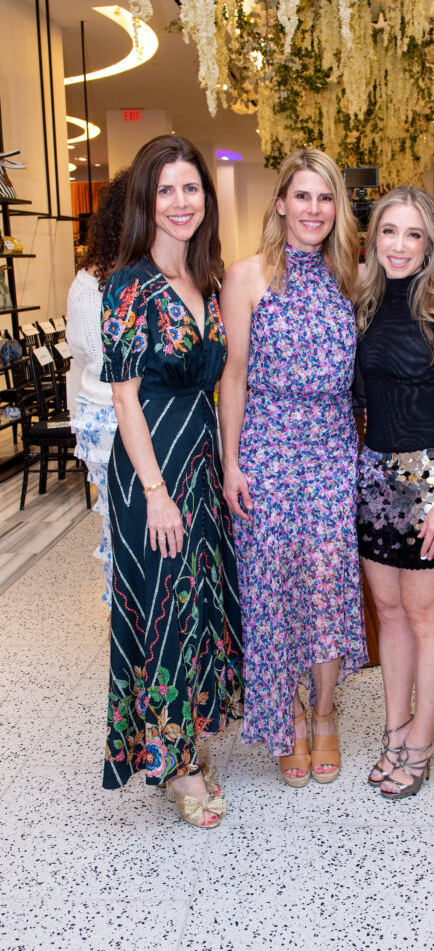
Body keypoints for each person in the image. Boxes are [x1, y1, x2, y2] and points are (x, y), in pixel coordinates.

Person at [100, 135, 243, 828]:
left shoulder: (204, 277)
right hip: (149, 471)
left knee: (195, 607)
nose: (181, 203)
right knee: (162, 614)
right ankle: (176, 767)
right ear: (146, 202)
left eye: (192, 189)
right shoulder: (128, 284)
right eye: (167, 190)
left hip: (198, 463)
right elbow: (124, 398)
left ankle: (185, 745)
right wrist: (155, 493)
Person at [219, 148, 367, 787]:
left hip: (333, 451)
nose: (314, 209)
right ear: (280, 203)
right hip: (267, 451)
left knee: (328, 586)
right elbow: (234, 375)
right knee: (274, 593)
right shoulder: (248, 276)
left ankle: (325, 712)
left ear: (337, 209)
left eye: (325, 197)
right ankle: (287, 718)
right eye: (302, 196)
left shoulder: (352, 280)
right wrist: (231, 463)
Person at [354, 187, 434, 800]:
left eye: (414, 235)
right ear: (373, 239)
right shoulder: (366, 304)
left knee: (427, 616)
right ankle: (394, 729)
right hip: (373, 476)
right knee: (392, 614)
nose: (399, 246)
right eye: (389, 233)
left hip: (431, 479)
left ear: (430, 244)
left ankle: (421, 743)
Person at [66, 169, 129, 609]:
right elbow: (100, 361)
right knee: (119, 525)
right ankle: (124, 621)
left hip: (133, 414)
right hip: (106, 419)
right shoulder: (91, 287)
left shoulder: (138, 273)